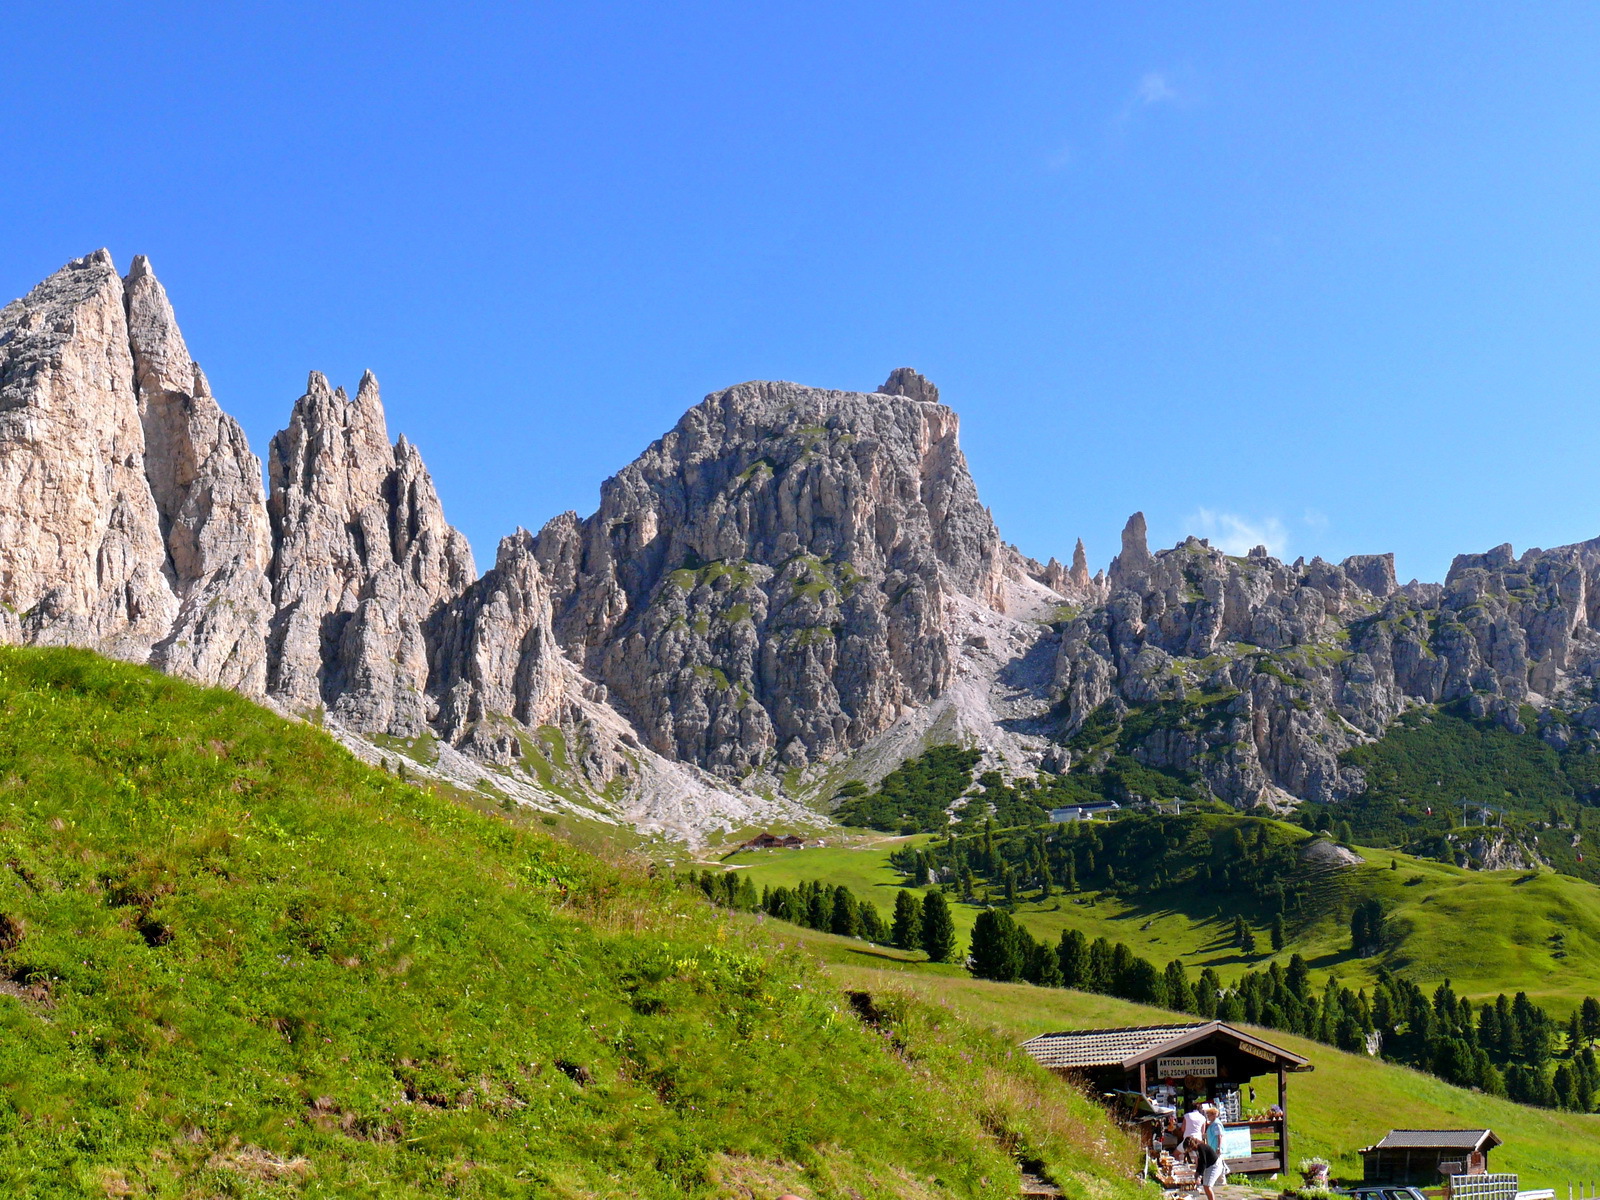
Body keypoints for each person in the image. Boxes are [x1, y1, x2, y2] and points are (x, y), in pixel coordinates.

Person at [1185, 1134, 1227, 1200]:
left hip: (1215, 1165)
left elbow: (1203, 1163)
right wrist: (1197, 1172)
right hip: (1210, 1165)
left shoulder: (1201, 1147)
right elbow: (1200, 1162)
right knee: (1205, 1185)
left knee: (1207, 1186)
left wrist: (1200, 1176)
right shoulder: (1198, 1148)